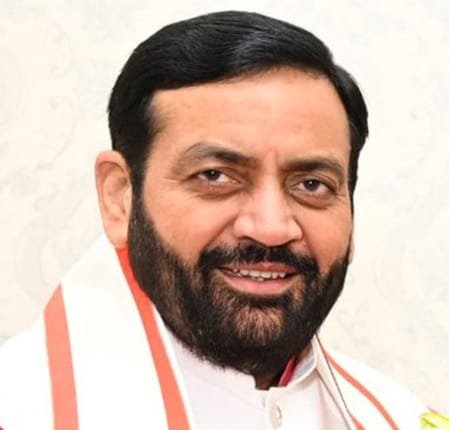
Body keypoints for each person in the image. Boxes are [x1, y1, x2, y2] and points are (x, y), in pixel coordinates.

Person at [0, 10, 429, 430]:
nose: (271, 228)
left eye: (311, 185)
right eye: (215, 176)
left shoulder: (401, 417)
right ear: (120, 197)